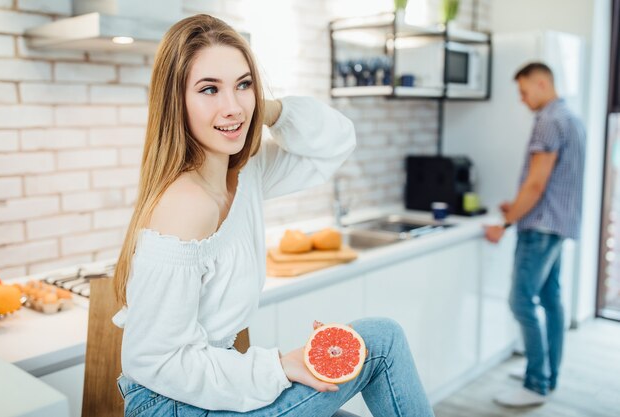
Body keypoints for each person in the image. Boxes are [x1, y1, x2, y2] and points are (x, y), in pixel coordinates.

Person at [111, 14, 435, 417]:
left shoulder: (246, 172)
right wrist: (281, 365)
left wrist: (265, 111)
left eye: (243, 84)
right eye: (209, 89)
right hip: (170, 404)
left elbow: (337, 141)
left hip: (211, 385)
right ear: (175, 101)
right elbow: (155, 361)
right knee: (381, 341)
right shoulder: (186, 204)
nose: (231, 106)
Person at [485, 62, 585, 407]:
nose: (522, 99)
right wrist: (514, 206)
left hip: (540, 228)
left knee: (521, 301)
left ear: (541, 83)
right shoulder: (571, 118)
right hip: (557, 225)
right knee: (551, 300)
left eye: (524, 91)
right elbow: (552, 183)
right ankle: (546, 373)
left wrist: (507, 222)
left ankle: (536, 382)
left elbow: (538, 183)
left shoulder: (548, 121)